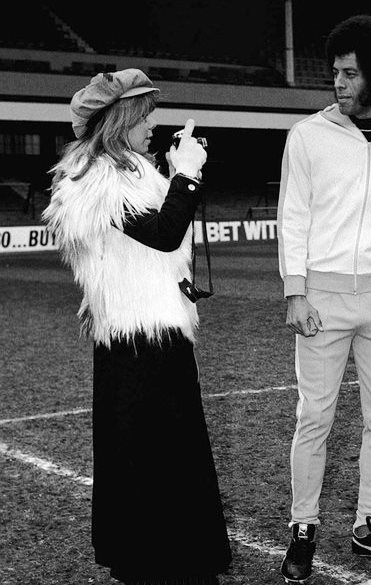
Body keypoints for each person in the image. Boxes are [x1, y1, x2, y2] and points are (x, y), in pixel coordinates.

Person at [43, 69, 231, 585]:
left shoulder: (127, 171)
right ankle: (157, 559)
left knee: (159, 451)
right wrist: (188, 175)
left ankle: (164, 556)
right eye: (145, 113)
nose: (152, 122)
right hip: (136, 338)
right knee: (155, 451)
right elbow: (164, 234)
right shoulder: (99, 177)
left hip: (154, 333)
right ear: (122, 118)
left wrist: (174, 172)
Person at [276, 14, 371, 583]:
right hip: (321, 295)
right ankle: (303, 528)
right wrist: (296, 291)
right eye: (334, 72)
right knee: (314, 417)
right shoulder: (309, 136)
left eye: (348, 73)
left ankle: (369, 524)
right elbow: (292, 216)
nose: (337, 83)